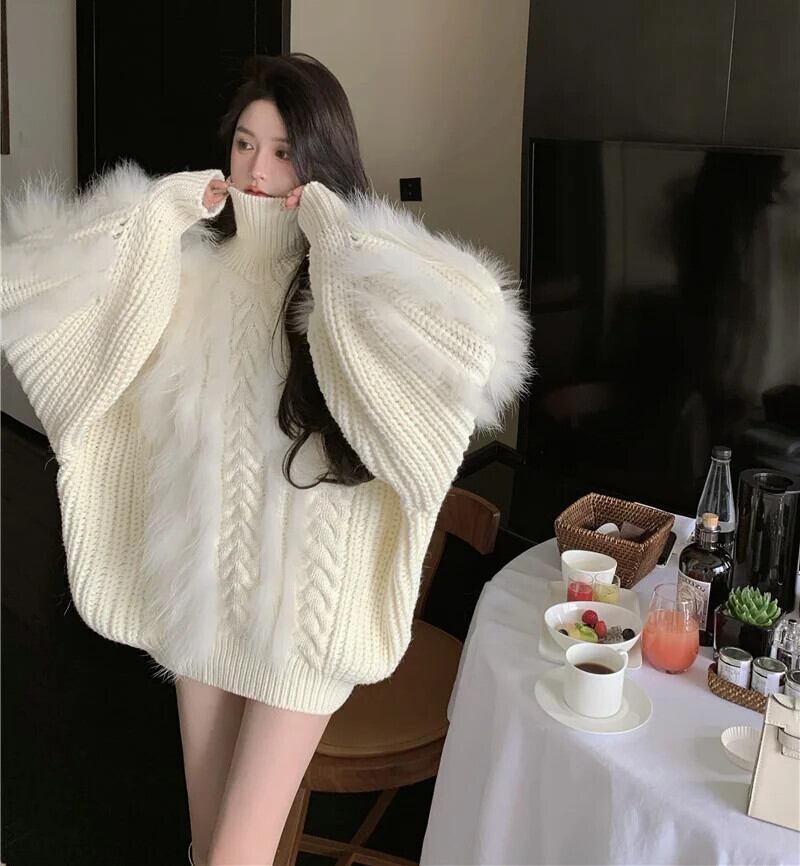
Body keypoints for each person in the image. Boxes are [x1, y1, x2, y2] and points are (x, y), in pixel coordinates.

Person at [1, 52, 534, 865]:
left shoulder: (348, 287)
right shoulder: (187, 275)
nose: (257, 170)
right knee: (207, 843)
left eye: (283, 151)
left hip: (302, 621)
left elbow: (474, 336)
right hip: (202, 601)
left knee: (234, 856)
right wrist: (154, 214)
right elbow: (33, 290)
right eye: (245, 144)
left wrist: (340, 238)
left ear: (321, 158)